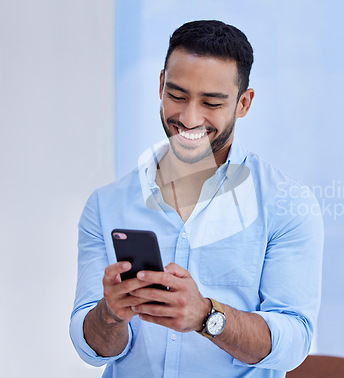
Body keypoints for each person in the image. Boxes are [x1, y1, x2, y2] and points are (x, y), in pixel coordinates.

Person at [70, 20, 323, 377]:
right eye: (177, 96)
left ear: (243, 103)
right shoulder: (106, 205)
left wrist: (207, 316)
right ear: (160, 85)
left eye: (211, 102)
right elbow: (93, 349)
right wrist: (110, 314)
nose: (189, 118)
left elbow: (293, 344)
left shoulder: (288, 204)